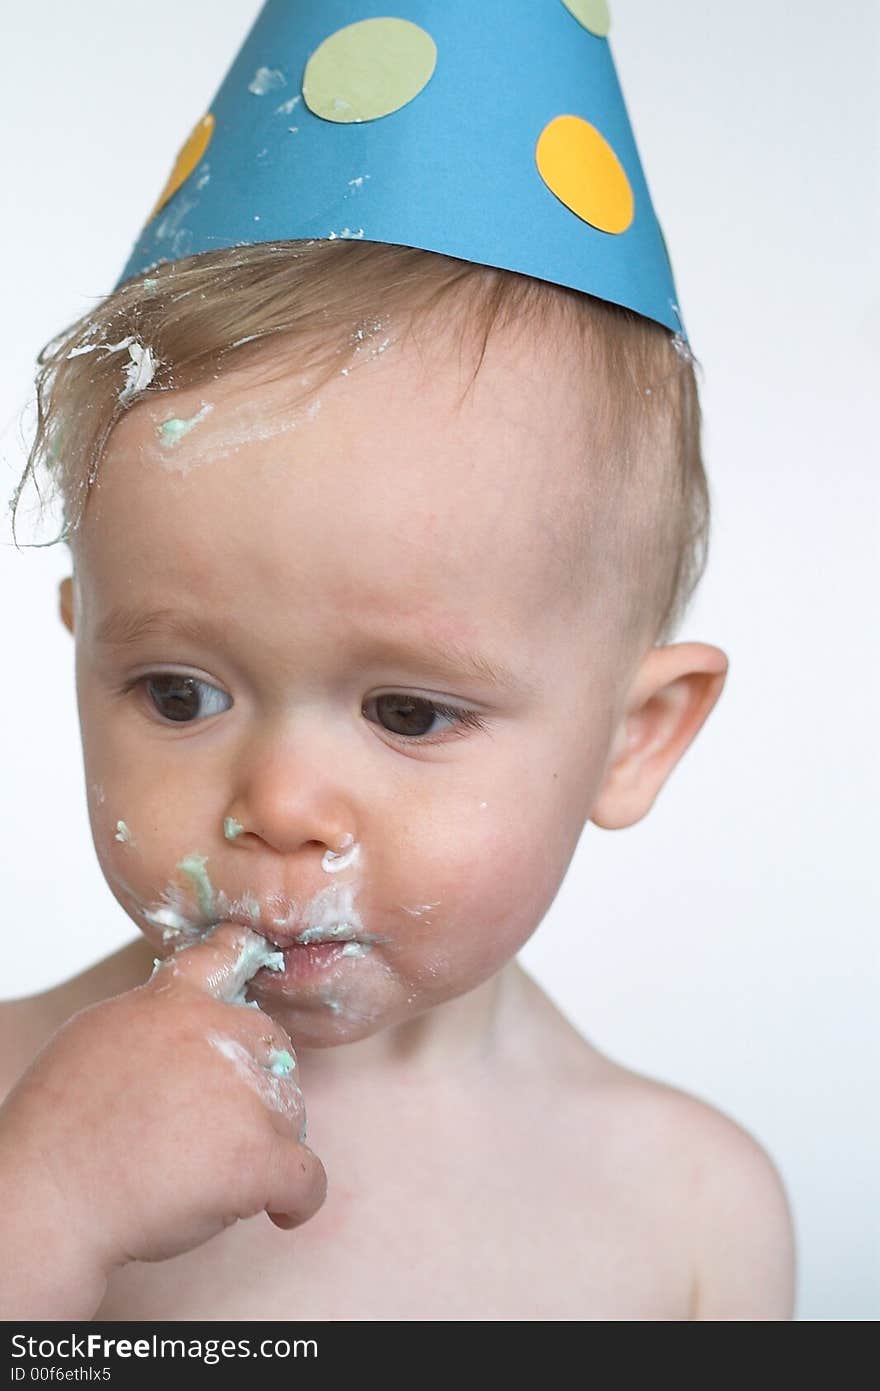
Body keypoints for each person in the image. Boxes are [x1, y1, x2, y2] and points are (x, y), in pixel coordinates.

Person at [0, 2, 795, 1321]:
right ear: (86, 653)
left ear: (635, 735)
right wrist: (41, 1215)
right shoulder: (12, 1116)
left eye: (411, 711)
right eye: (180, 693)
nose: (283, 806)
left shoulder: (692, 1213)